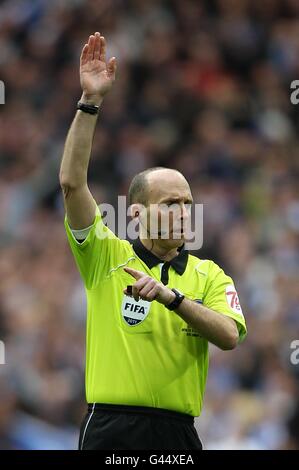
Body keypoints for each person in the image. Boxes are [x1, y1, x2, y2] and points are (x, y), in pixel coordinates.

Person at [59, 32, 247, 451]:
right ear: (137, 212)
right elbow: (72, 184)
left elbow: (230, 335)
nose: (182, 211)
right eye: (169, 203)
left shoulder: (209, 274)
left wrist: (172, 298)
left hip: (177, 433)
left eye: (187, 202)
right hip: (111, 429)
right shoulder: (106, 254)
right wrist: (91, 102)